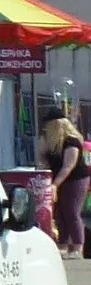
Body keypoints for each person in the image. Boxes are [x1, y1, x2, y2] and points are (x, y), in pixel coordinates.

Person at [42, 107, 87, 257]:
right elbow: (44, 160)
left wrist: (54, 185)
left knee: (71, 211)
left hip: (76, 179)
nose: (46, 128)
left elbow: (68, 166)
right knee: (60, 212)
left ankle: (77, 246)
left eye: (48, 125)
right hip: (58, 178)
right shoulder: (52, 143)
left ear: (56, 125)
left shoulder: (71, 142)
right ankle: (63, 243)